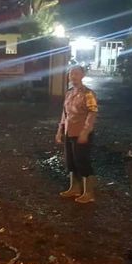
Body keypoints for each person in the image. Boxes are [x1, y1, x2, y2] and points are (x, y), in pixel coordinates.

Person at [55, 66, 98, 203]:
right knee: (71, 162)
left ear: (82, 75)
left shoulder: (88, 93)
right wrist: (60, 130)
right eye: (71, 74)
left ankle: (89, 193)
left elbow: (93, 112)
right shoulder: (69, 93)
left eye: (76, 73)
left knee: (83, 162)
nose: (73, 76)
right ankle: (74, 188)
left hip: (81, 133)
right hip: (69, 131)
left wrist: (86, 131)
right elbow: (65, 114)